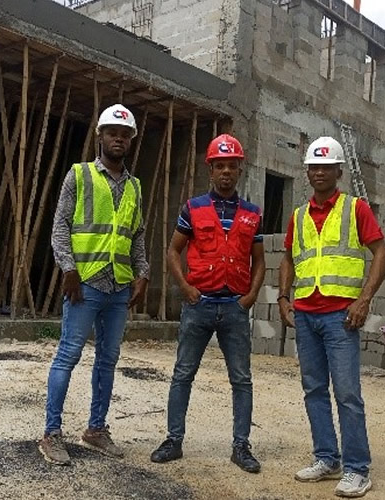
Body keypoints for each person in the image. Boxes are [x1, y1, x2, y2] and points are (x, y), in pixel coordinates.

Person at [278, 136, 385, 497]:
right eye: (314, 167)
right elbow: (287, 258)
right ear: (307, 172)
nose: (319, 172)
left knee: (347, 393)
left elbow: (382, 253)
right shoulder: (299, 216)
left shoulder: (355, 209)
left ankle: (358, 469)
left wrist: (364, 300)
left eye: (327, 167)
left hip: (341, 317)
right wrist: (283, 297)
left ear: (339, 171)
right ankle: (327, 458)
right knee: (314, 390)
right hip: (306, 316)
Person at [38, 104, 149, 465]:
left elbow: (136, 235)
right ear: (100, 136)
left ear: (131, 140)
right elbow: (60, 226)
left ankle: (96, 429)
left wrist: (142, 273)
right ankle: (51, 434)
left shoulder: (134, 186)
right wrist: (68, 269)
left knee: (108, 359)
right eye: (112, 132)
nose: (119, 138)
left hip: (118, 287)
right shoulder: (79, 175)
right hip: (84, 284)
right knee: (68, 355)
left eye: (125, 134)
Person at [149, 134, 265, 473]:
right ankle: (173, 440)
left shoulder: (252, 214)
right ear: (210, 170)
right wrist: (185, 287)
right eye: (220, 166)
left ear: (240, 170)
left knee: (241, 379)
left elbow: (259, 260)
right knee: (183, 373)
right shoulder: (193, 208)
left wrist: (251, 296)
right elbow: (173, 251)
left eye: (232, 166)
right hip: (198, 305)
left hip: (234, 307)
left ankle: (241, 446)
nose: (226, 171)